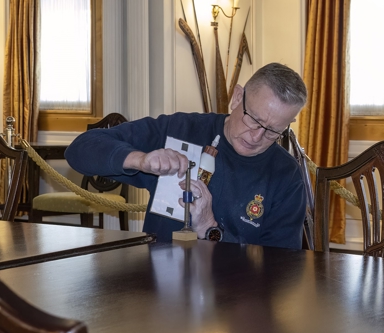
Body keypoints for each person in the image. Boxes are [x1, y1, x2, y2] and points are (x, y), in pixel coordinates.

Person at [65, 62, 308, 249]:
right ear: (236, 98)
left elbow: (279, 268)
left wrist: (210, 227)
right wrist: (140, 160)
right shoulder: (181, 130)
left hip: (236, 300)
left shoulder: (285, 175)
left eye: (273, 131)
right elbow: (80, 149)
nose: (256, 136)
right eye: (253, 119)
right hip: (158, 292)